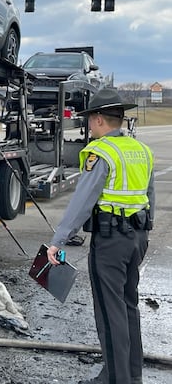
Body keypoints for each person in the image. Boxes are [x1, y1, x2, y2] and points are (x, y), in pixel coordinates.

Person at [46, 88, 154, 384]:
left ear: (97, 119)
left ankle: (117, 379)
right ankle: (130, 375)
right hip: (138, 236)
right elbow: (149, 195)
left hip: (111, 241)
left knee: (110, 311)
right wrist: (145, 229)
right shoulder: (140, 150)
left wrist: (59, 240)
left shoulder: (101, 152)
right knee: (128, 305)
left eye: (89, 120)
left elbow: (83, 201)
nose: (88, 126)